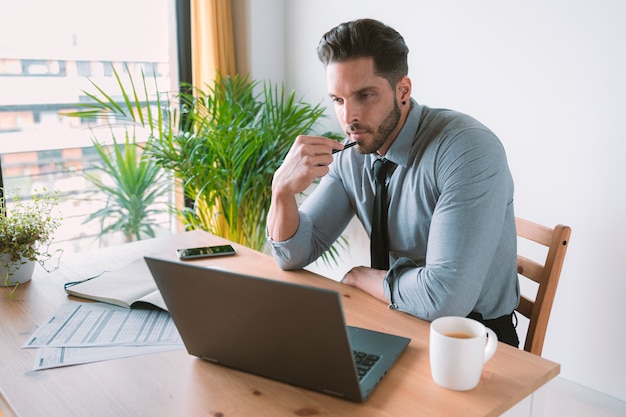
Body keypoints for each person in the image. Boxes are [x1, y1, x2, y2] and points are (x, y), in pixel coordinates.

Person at [266, 18, 520, 347]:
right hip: (390, 318)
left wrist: (361, 276)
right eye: (338, 100)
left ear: (403, 91)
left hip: (472, 340)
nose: (349, 118)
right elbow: (293, 255)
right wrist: (282, 191)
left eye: (364, 95)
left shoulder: (467, 149)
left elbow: (445, 299)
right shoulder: (352, 155)